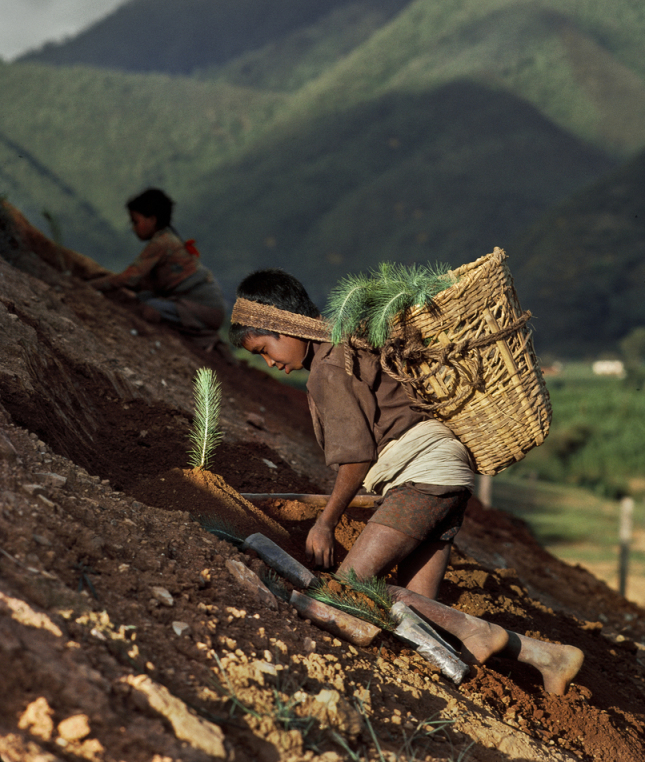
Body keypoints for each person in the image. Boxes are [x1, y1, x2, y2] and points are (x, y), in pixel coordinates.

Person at [229, 268, 584, 694]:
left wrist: (325, 522)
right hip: (446, 477)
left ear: (285, 327)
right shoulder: (352, 344)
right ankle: (547, 656)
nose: (270, 362)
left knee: (345, 594)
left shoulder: (327, 369)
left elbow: (357, 458)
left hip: (422, 478)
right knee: (420, 614)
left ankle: (486, 635)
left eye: (265, 349)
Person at [91, 188, 226, 351]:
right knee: (143, 298)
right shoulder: (167, 239)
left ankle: (202, 337)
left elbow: (129, 278)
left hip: (205, 309)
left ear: (152, 220)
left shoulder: (162, 243)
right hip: (207, 308)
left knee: (150, 309)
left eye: (135, 222)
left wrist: (91, 285)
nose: (133, 228)